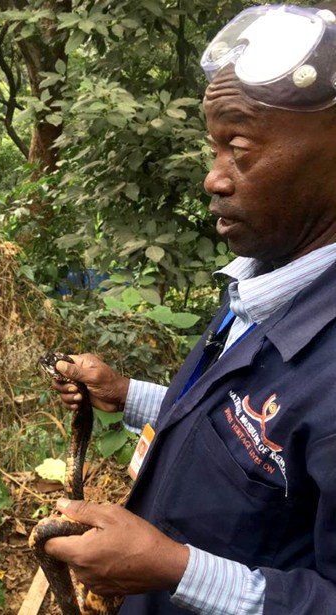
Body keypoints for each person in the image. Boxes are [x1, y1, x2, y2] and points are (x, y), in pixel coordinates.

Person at [45, 4, 336, 614]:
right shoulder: (266, 278)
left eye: (239, 146)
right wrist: (128, 394)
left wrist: (175, 569)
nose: (213, 178)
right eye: (214, 148)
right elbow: (241, 426)